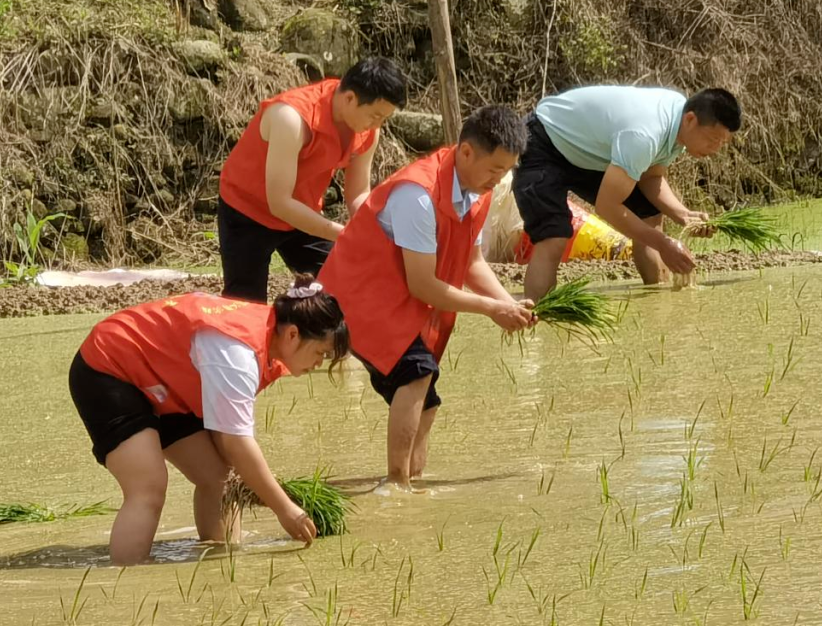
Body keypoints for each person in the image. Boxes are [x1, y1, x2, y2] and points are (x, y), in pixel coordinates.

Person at [319, 106, 535, 489]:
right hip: (359, 302)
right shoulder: (417, 195)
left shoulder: (477, 193)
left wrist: (510, 302)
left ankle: (410, 481)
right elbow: (423, 285)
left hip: (398, 306)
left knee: (427, 402)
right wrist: (491, 309)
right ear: (466, 152)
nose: (498, 180)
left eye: (506, 171)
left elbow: (471, 260)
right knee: (417, 375)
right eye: (494, 169)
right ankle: (396, 483)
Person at [69, 275, 349, 565]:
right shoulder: (236, 354)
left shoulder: (268, 341)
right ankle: (124, 585)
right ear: (293, 334)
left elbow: (224, 436)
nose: (319, 363)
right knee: (148, 486)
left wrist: (262, 489)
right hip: (109, 367)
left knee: (220, 479)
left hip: (166, 381)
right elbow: (236, 441)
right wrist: (286, 509)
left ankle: (221, 564)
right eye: (321, 353)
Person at [512, 86, 742, 299]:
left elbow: (651, 177)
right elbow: (607, 207)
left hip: (587, 153)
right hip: (542, 142)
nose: (714, 150)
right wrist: (663, 244)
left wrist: (682, 214)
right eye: (712, 140)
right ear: (691, 119)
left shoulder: (678, 122)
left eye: (721, 144)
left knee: (649, 214)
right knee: (553, 236)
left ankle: (659, 304)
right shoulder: (645, 134)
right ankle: (537, 320)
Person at [217, 57, 408, 303]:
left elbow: (358, 194)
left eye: (384, 118)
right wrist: (343, 233)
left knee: (346, 283)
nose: (378, 124)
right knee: (245, 308)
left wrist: (373, 231)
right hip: (247, 212)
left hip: (303, 215)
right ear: (349, 98)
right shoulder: (291, 118)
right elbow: (280, 203)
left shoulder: (368, 130)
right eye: (375, 116)